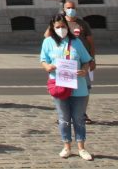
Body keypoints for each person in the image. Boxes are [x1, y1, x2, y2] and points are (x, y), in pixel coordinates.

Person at [40, 13, 94, 161]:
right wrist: (47, 67)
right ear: (52, 28)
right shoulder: (48, 42)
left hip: (79, 86)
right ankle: (66, 147)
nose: (61, 29)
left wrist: (84, 70)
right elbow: (43, 60)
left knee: (78, 118)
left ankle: (81, 148)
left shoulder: (76, 42)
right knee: (64, 118)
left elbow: (87, 60)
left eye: (63, 26)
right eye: (57, 27)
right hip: (59, 85)